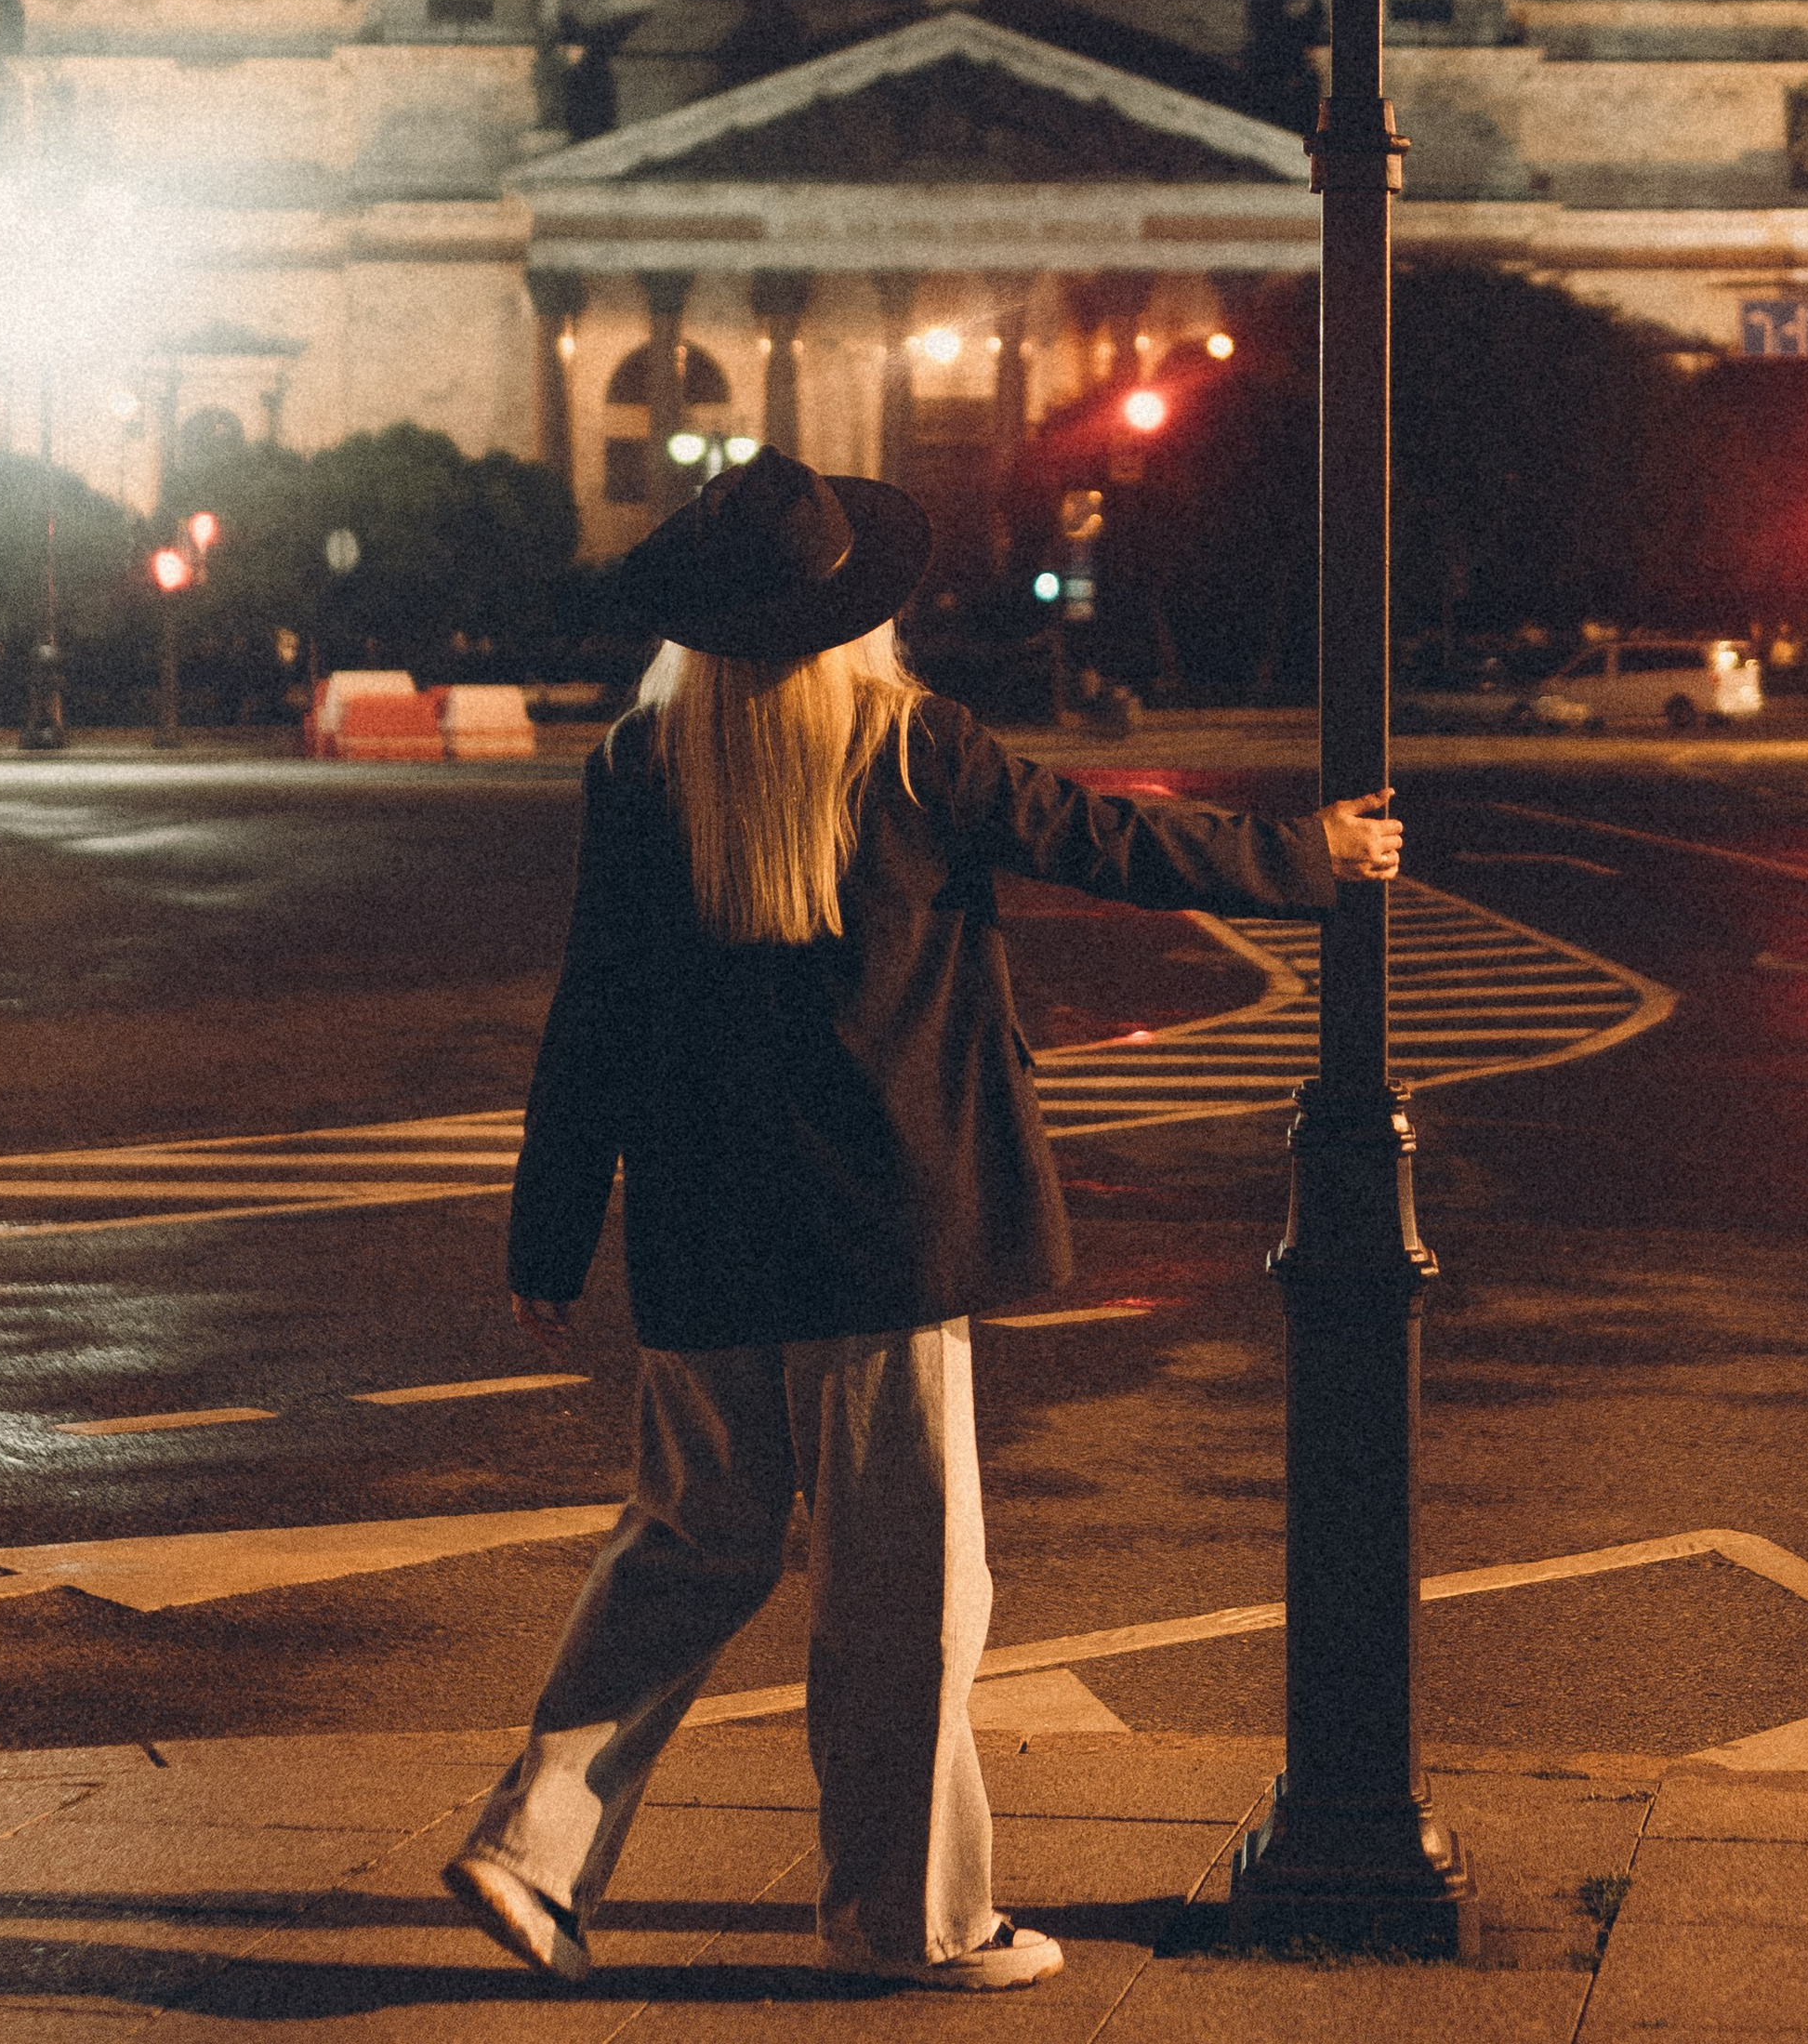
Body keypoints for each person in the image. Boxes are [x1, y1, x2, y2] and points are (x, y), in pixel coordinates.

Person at [443, 443, 1399, 1994]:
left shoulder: (638, 766)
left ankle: (533, 1849)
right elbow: (1109, 843)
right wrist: (1313, 857)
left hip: (702, 1239)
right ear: (852, 616)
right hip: (883, 1231)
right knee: (905, 1597)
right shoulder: (904, 746)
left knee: (688, 1550)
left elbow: (592, 1021)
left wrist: (548, 1239)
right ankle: (906, 1920)